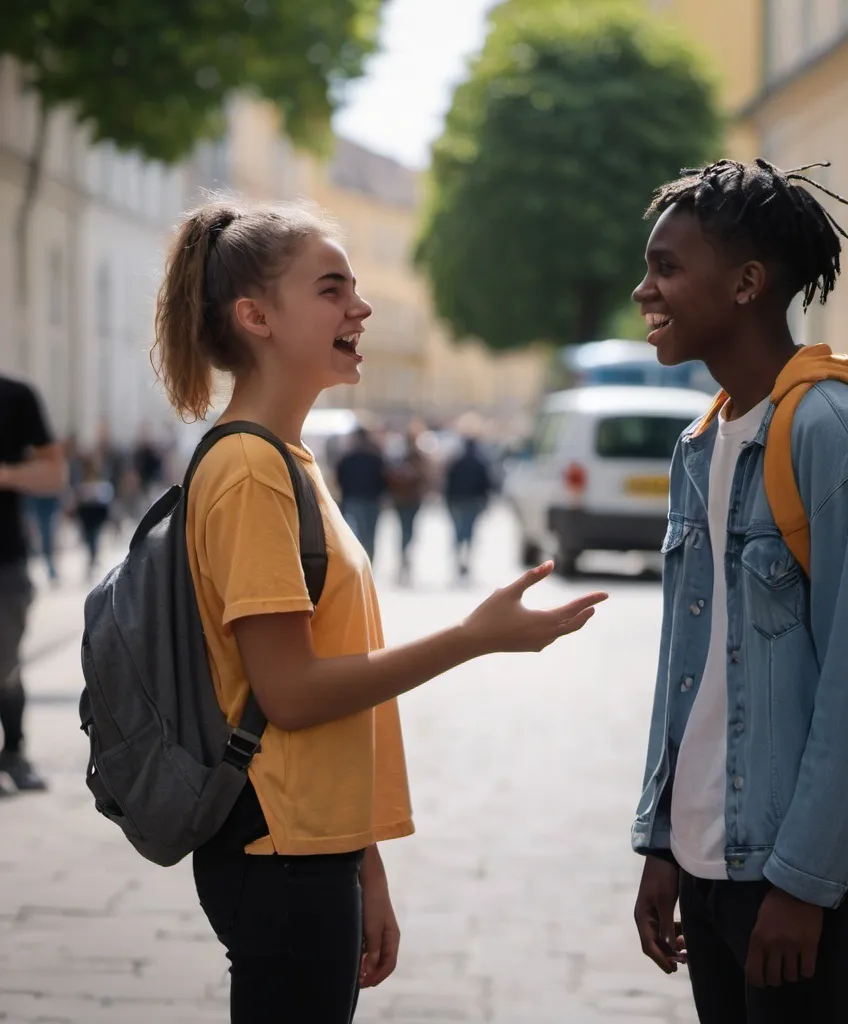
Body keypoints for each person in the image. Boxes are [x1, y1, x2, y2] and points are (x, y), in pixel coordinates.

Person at [150, 199, 607, 1023]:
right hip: (277, 850)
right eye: (331, 289)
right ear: (255, 317)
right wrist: (472, 639)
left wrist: (365, 864)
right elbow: (288, 693)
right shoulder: (252, 469)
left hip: (307, 845)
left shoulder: (286, 456)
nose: (359, 307)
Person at [629, 159, 848, 1024]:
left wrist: (805, 882)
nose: (643, 288)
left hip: (797, 875)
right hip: (705, 860)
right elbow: (687, 674)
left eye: (667, 267)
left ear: (747, 285)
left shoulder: (832, 434)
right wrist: (662, 843)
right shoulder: (702, 440)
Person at [0, 375, 66, 795]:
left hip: (4, 560)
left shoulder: (15, 396)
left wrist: (4, 474)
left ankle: (14, 753)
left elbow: (54, 473)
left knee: (4, 664)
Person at [335, 426, 388, 564]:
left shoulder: (348, 457)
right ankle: (367, 563)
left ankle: (360, 563)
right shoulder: (375, 456)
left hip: (355, 499)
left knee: (356, 533)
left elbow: (340, 478)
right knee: (369, 534)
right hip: (369, 499)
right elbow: (384, 479)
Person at [445, 436, 494, 581]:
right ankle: (464, 559)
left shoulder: (457, 461)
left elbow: (448, 482)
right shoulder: (480, 462)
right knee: (469, 531)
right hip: (471, 501)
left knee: (459, 531)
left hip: (458, 500)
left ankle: (460, 559)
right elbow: (487, 484)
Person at [387, 427, 430, 586]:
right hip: (410, 499)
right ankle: (404, 557)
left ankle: (404, 557)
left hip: (404, 499)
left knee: (404, 529)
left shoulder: (399, 456)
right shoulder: (415, 456)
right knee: (408, 529)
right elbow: (426, 477)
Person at [72, 455, 116, 578]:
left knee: (94, 537)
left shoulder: (100, 480)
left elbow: (106, 497)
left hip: (96, 514)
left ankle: (93, 558)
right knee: (88, 538)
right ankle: (91, 558)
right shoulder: (81, 480)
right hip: (86, 514)